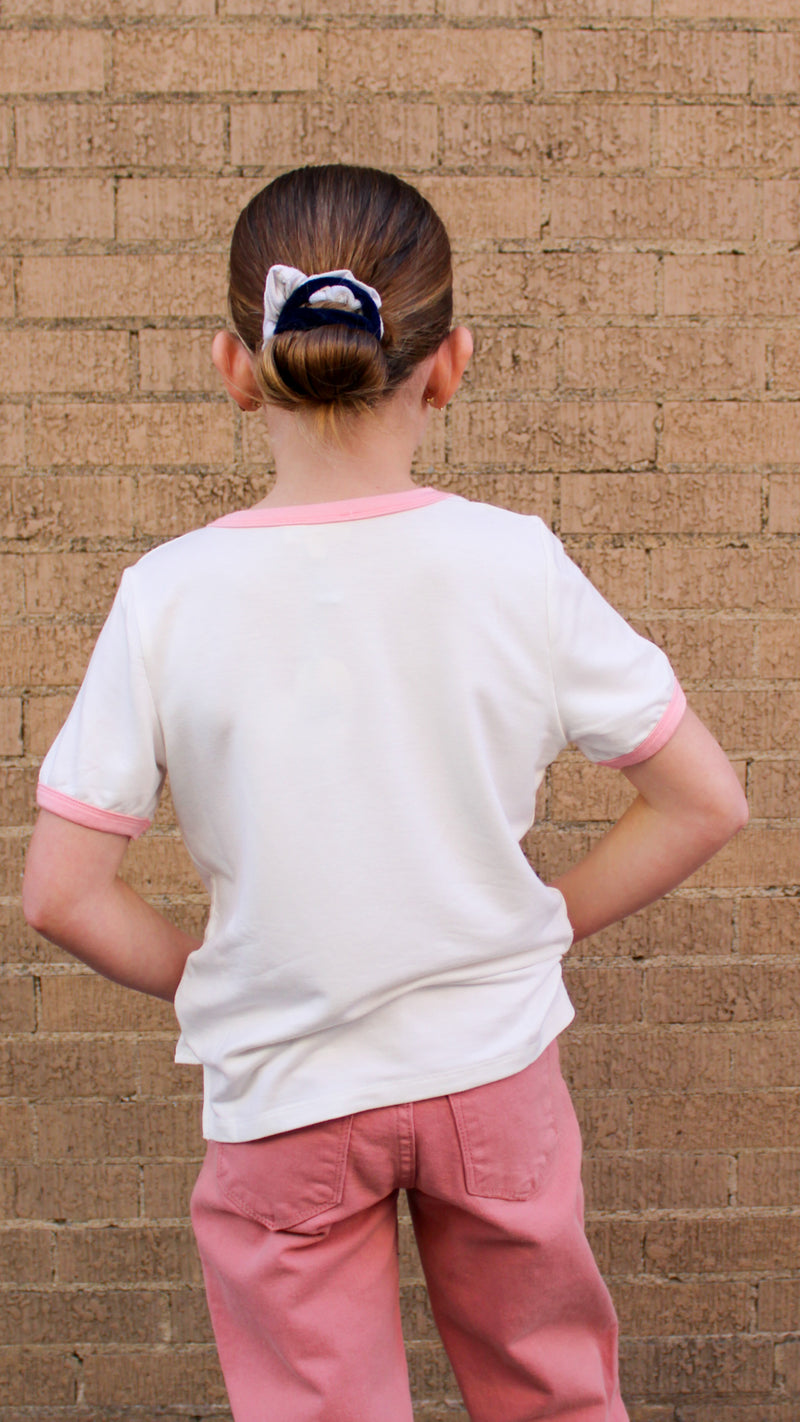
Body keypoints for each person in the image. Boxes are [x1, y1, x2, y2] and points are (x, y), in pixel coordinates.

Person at [23, 164, 748, 1422]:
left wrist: (217, 978)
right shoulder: (514, 564)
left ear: (234, 366)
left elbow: (61, 893)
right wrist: (536, 926)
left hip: (285, 1095)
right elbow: (704, 802)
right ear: (449, 363)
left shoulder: (166, 596)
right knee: (553, 1400)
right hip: (492, 1070)